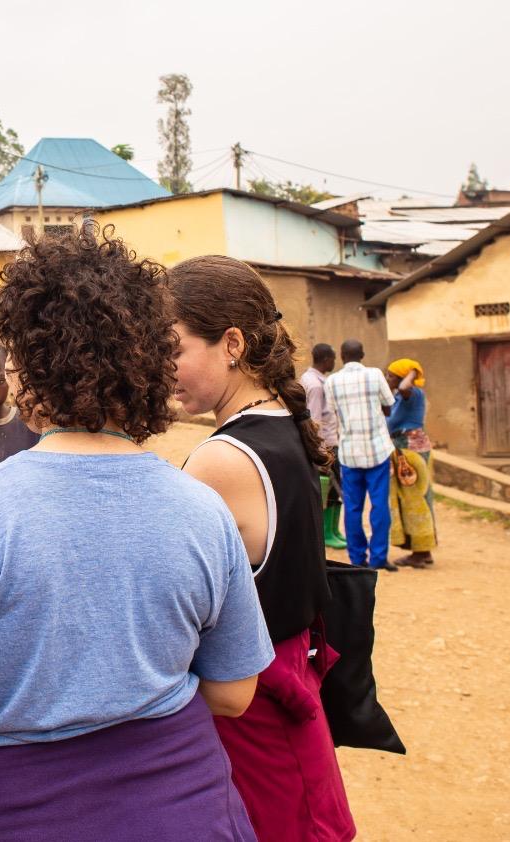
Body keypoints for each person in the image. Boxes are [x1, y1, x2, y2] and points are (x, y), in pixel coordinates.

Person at [0, 228, 271, 841]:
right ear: (147, 362)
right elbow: (234, 693)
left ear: (27, 369)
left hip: (16, 813)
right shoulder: (201, 509)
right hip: (185, 809)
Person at [170, 256, 356, 842]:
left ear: (231, 344)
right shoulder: (277, 425)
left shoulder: (221, 459)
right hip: (287, 686)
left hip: (251, 704)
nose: (160, 367)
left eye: (172, 349)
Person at [325, 339, 396, 572]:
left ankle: (357, 559)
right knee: (379, 505)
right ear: (362, 354)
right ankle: (378, 558)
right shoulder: (375, 375)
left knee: (353, 507)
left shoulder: (331, 381)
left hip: (350, 453)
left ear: (342, 356)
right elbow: (388, 406)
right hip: (377, 450)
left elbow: (335, 410)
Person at [386, 358, 437, 569]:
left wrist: (414, 372)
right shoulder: (399, 396)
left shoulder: (412, 392)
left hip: (412, 448)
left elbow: (406, 385)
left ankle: (421, 551)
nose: (387, 378)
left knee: (415, 498)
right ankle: (421, 550)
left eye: (391, 375)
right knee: (411, 498)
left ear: (401, 378)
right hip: (404, 446)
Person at [301, 343, 346, 550]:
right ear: (326, 359)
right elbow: (315, 420)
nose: (334, 362)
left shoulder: (309, 379)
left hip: (327, 443)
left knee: (334, 488)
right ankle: (327, 532)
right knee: (332, 489)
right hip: (326, 444)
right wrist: (319, 452)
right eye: (333, 358)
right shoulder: (317, 385)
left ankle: (333, 530)